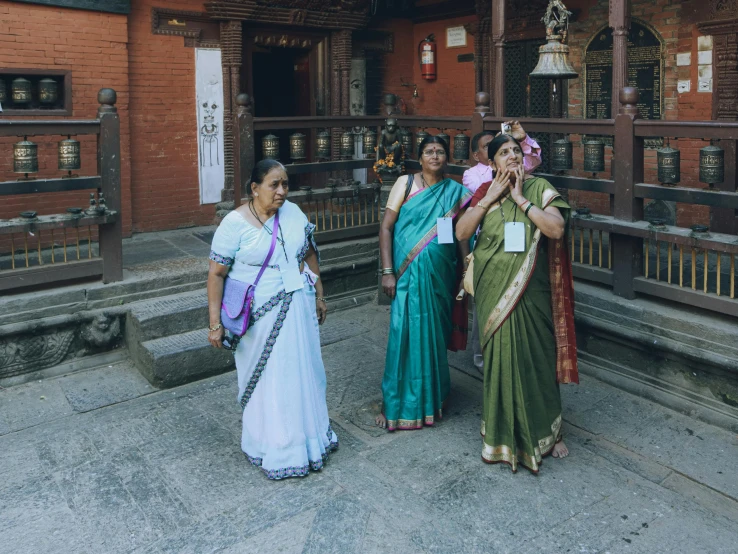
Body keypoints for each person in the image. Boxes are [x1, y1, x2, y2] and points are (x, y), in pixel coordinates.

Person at [206, 159, 338, 480]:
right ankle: (274, 445)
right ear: (254, 188)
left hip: (298, 309)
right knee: (271, 378)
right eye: (273, 185)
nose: (281, 191)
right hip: (257, 316)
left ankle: (307, 440)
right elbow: (216, 274)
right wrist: (214, 323)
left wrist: (319, 293)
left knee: (301, 372)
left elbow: (308, 254)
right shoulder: (234, 224)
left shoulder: (293, 214)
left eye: (285, 185)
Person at [456, 134, 578, 473]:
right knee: (500, 362)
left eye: (516, 151)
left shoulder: (540, 188)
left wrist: (521, 199)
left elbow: (555, 229)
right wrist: (490, 197)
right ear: (492, 162)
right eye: (504, 152)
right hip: (492, 292)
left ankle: (549, 433)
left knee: (537, 359)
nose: (512, 156)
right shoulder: (484, 192)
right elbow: (461, 233)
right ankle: (500, 434)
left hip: (531, 292)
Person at [376, 136, 472, 431]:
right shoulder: (405, 184)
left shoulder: (455, 192)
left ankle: (431, 399)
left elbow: (462, 235)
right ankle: (395, 402)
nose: (435, 155)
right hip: (405, 275)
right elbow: (386, 228)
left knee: (433, 334)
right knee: (403, 332)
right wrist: (387, 271)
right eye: (429, 151)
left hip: (440, 276)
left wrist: (467, 269)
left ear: (447, 158)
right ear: (420, 157)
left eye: (440, 151)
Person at [463, 122, 542, 371]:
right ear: (482, 156)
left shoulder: (526, 180)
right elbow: (465, 226)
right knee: (484, 313)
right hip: (488, 246)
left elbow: (528, 166)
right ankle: (483, 357)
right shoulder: (475, 176)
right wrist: (496, 181)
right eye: (495, 149)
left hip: (519, 253)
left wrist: (523, 139)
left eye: (515, 151)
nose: (511, 156)